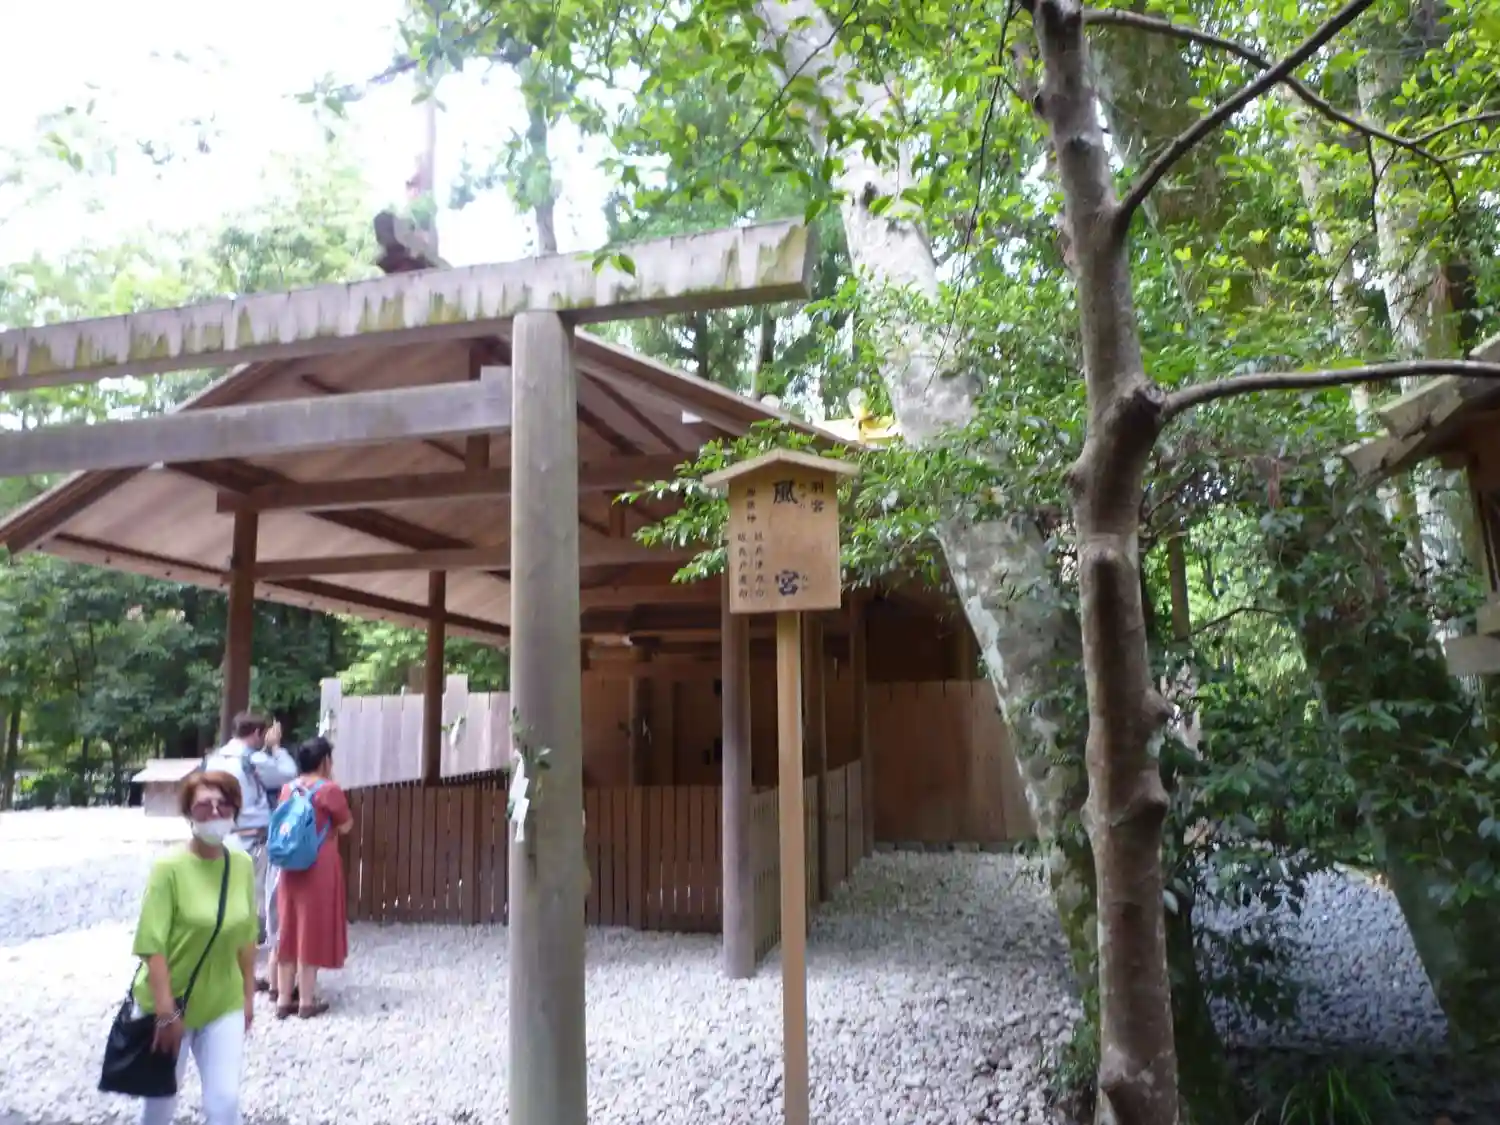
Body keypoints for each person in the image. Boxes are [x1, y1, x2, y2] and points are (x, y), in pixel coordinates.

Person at [132, 770, 258, 1125]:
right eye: (204, 806)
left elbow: (246, 935)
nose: (215, 813)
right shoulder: (168, 868)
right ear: (188, 814)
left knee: (224, 1103)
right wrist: (164, 1011)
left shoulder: (242, 865)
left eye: (224, 805)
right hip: (169, 1001)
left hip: (223, 1000)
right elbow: (151, 943)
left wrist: (248, 996)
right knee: (159, 1105)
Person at [204, 712, 296, 992]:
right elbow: (289, 773)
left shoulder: (214, 759)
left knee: (229, 904)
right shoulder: (253, 760)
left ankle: (225, 969)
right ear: (257, 733)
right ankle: (250, 974)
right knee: (256, 909)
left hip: (224, 838)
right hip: (253, 839)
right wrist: (276, 747)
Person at [275, 737, 354, 1019]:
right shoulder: (329, 789)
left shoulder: (288, 788)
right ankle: (306, 1001)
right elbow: (346, 825)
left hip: (289, 864)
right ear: (324, 761)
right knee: (310, 927)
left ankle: (283, 999)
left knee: (289, 925)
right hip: (319, 864)